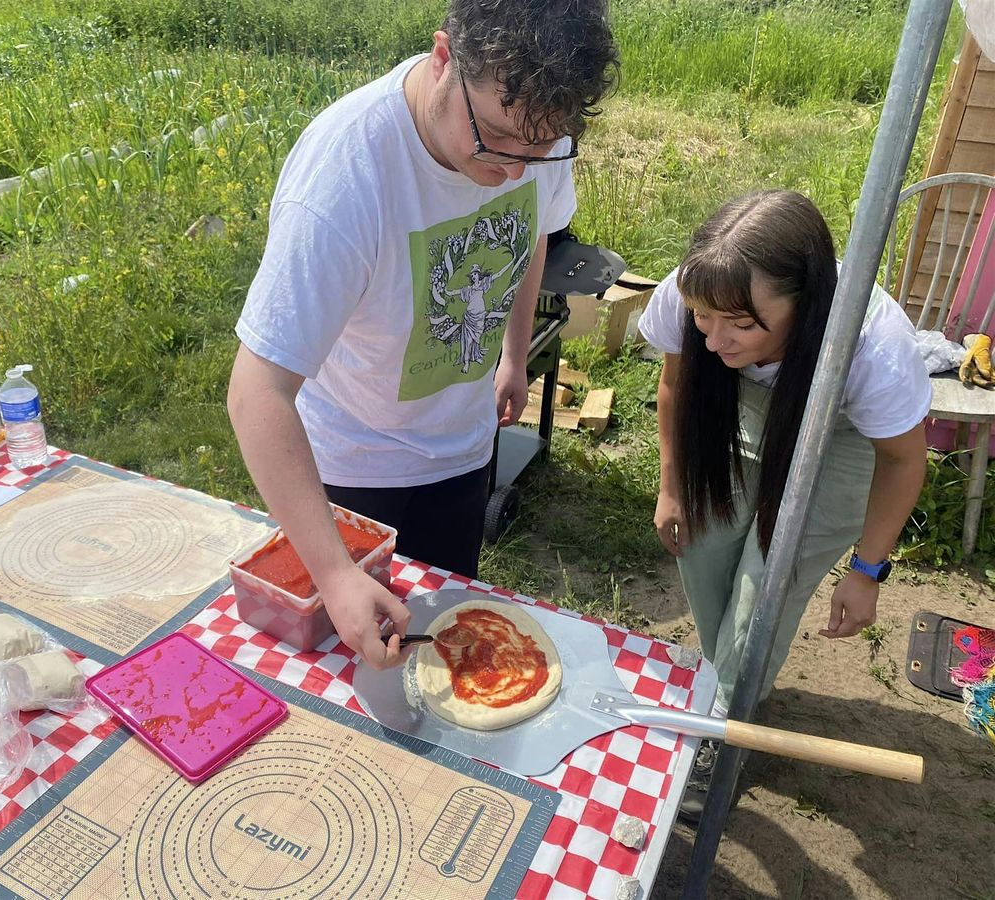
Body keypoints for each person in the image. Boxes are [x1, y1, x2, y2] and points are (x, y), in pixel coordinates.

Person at [228, 1, 619, 669]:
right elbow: (256, 392)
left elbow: (530, 234)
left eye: (544, 146)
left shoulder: (530, 128)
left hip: (463, 454)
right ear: (444, 58)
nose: (518, 167)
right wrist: (332, 573)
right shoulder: (344, 179)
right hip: (353, 477)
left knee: (438, 659)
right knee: (355, 674)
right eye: (496, 139)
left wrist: (512, 354)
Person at [639, 189, 930, 820]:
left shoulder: (869, 348)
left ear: (806, 302)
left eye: (742, 323)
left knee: (760, 594)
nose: (714, 339)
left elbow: (905, 461)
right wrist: (671, 484)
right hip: (744, 411)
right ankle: (729, 684)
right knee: (705, 550)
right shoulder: (699, 291)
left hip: (843, 443)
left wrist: (866, 569)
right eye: (702, 317)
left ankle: (723, 728)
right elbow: (676, 383)